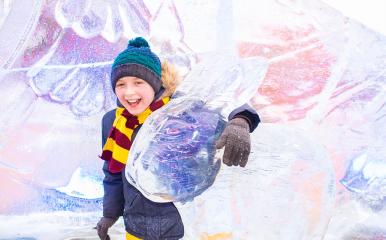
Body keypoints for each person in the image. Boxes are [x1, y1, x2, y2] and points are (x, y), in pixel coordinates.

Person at [96, 37, 260, 240]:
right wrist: (109, 215)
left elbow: (226, 103)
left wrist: (240, 121)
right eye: (121, 84)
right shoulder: (113, 122)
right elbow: (112, 173)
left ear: (155, 83)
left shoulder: (179, 109)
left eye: (138, 82)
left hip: (183, 227)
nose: (129, 92)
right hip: (137, 227)